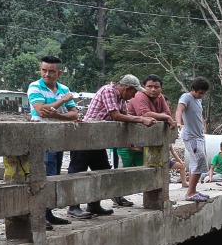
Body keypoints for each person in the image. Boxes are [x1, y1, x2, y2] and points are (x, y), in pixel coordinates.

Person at [67, 74, 148, 219]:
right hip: (86, 136)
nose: (134, 95)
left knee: (102, 171)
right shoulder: (108, 91)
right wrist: (141, 119)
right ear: (127, 88)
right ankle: (73, 206)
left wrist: (138, 120)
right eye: (133, 92)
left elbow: (125, 115)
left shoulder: (121, 99)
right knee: (77, 171)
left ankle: (94, 204)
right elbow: (116, 115)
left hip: (99, 139)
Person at [24, 54, 80, 226]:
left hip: (57, 137)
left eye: (51, 72)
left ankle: (47, 213)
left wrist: (56, 114)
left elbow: (75, 114)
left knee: (53, 174)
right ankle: (39, 215)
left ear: (59, 73)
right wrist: (62, 101)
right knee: (43, 174)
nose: (47, 75)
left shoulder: (63, 87)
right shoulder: (35, 87)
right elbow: (41, 110)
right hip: (40, 136)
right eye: (44, 70)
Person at [118, 74, 171, 208]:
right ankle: (117, 194)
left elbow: (167, 113)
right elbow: (145, 114)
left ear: (161, 88)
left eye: (156, 87)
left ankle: (153, 200)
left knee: (147, 171)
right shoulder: (139, 96)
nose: (153, 90)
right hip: (130, 142)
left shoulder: (160, 98)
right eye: (150, 87)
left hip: (147, 144)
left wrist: (165, 117)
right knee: (125, 171)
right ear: (144, 87)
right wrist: (165, 117)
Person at [175, 77, 211, 203]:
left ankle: (193, 190)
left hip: (199, 136)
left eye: (203, 93)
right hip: (191, 137)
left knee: (198, 163)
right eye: (200, 93)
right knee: (199, 161)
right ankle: (190, 193)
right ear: (193, 89)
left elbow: (197, 116)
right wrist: (178, 123)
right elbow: (179, 109)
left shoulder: (198, 100)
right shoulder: (186, 97)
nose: (201, 95)